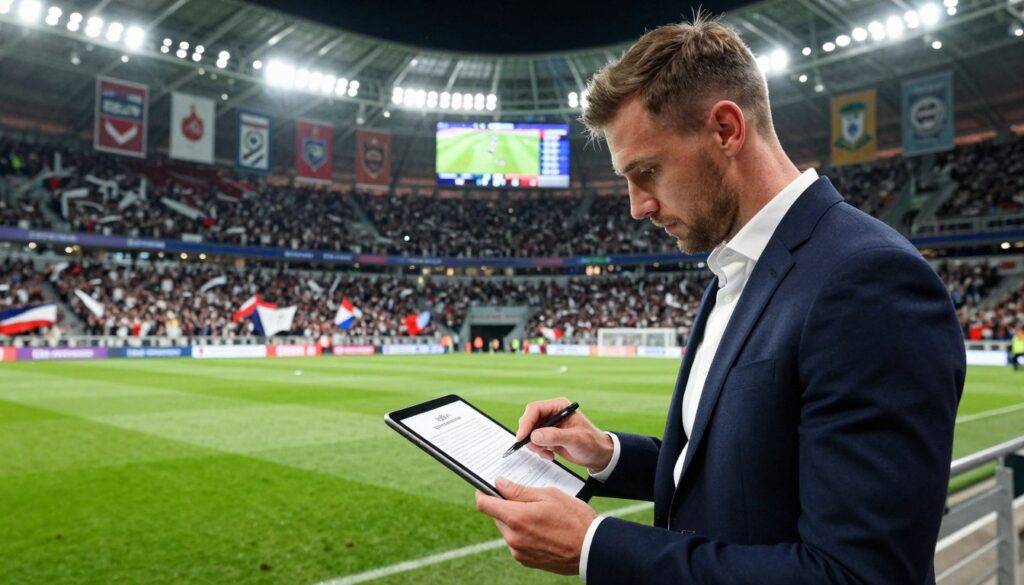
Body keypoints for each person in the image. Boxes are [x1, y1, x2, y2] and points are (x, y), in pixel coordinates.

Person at [475, 14, 965, 585]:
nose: (637, 206)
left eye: (647, 171)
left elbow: (860, 575)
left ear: (727, 130)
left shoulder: (868, 281)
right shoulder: (738, 266)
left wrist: (594, 546)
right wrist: (607, 453)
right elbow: (741, 471)